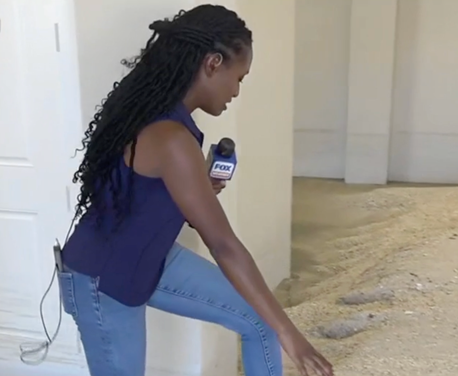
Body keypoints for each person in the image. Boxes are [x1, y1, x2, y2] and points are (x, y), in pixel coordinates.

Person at [59, 5, 333, 376]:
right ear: (212, 63)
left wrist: (196, 189)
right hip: (101, 282)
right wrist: (292, 335)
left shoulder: (162, 117)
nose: (237, 91)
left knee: (259, 316)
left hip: (147, 258)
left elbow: (140, 192)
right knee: (273, 321)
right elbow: (224, 246)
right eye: (238, 77)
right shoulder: (171, 137)